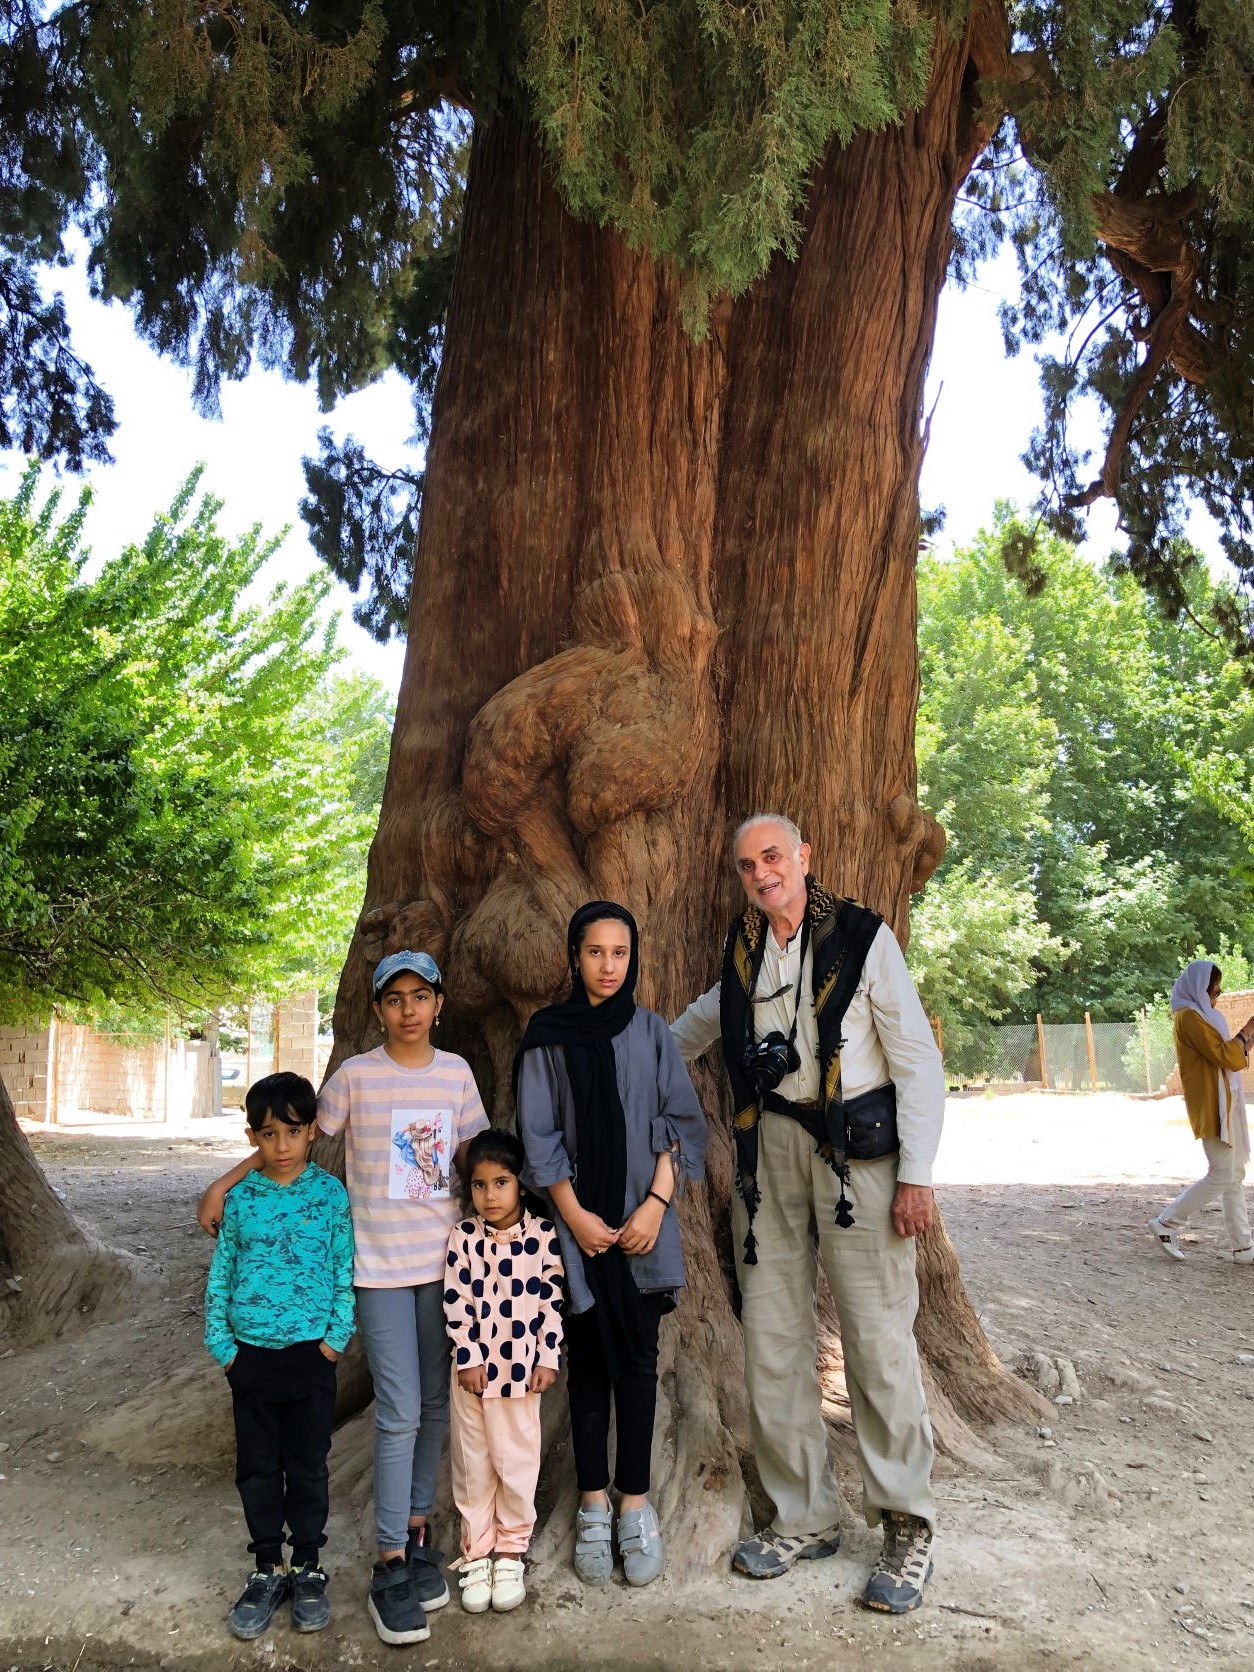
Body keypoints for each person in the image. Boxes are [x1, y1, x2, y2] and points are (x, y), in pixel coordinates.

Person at [670, 814, 945, 1614]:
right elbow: (702, 1018)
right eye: (748, 864)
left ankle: (906, 1523)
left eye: (773, 857)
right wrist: (631, 1045)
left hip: (861, 1153)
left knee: (878, 1339)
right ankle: (803, 1514)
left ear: (804, 858)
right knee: (774, 1338)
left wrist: (918, 1176)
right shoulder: (746, 947)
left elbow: (917, 1061)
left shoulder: (862, 938)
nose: (762, 873)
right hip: (771, 1158)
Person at [198, 951, 490, 1646]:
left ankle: (418, 1533)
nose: (409, 1009)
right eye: (395, 999)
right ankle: (389, 1560)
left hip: (444, 1266)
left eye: (422, 996)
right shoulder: (356, 1077)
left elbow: (480, 1165)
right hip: (380, 1271)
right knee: (396, 1411)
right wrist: (224, 1183)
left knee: (431, 1403)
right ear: (378, 1007)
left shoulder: (456, 1075)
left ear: (440, 1003)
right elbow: (289, 1139)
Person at [515, 901, 707, 1588]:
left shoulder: (652, 1033)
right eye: (594, 952)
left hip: (643, 1232)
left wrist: (656, 1204)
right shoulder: (548, 1036)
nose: (607, 966)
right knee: (589, 1367)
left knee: (638, 1366)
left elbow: (678, 1121)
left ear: (633, 958)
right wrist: (574, 1216)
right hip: (579, 1234)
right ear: (575, 956)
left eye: (619, 953)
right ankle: (592, 1502)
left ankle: (636, 1502)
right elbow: (537, 1134)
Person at [203, 1072, 355, 1642]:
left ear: (313, 1131)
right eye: (269, 1135)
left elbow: (345, 1272)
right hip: (251, 1362)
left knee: (310, 1466)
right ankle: (267, 1566)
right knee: (259, 1469)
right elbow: (221, 1277)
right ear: (253, 1137)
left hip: (312, 1360)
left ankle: (308, 1565)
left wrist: (334, 1341)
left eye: (293, 1131)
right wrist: (224, 1349)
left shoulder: (330, 1195)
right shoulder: (240, 1202)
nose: (283, 1146)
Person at [443, 1129, 565, 1613]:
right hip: (472, 1376)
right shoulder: (463, 1237)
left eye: (501, 1183)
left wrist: (548, 1356)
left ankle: (511, 1549)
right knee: (473, 1464)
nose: (489, 1196)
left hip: (521, 1375)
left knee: (516, 1462)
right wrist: (468, 1357)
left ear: (520, 1183)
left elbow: (552, 1299)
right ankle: (475, 1551)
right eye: (479, 1185)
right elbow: (456, 1300)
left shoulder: (542, 1237)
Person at [1150, 960, 1254, 1264]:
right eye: (1214, 988)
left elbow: (1230, 1055)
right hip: (1213, 1104)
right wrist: (1247, 1031)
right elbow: (1224, 1056)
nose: (1218, 994)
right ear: (1200, 987)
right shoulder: (1189, 1018)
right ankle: (1167, 1223)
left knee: (1233, 1174)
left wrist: (1246, 1038)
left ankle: (1244, 1247)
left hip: (1226, 1100)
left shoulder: (1203, 1016)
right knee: (1222, 1174)